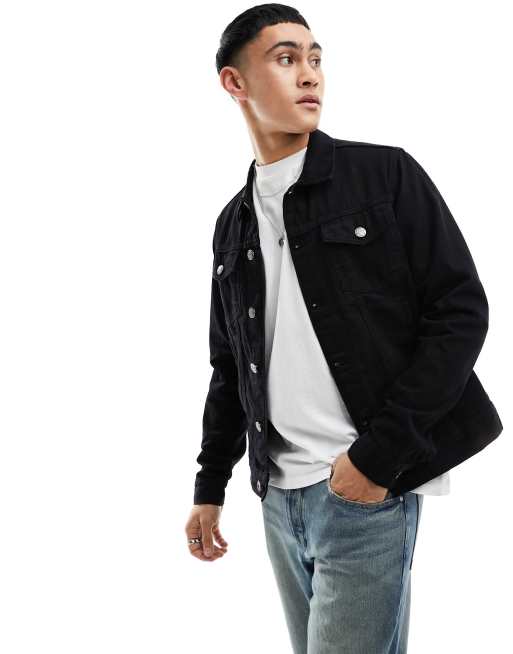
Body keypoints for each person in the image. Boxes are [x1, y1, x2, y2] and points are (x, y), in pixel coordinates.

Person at [184, 4, 503, 653]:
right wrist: (210, 485)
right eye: (285, 58)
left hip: (361, 491)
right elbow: (230, 365)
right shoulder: (232, 223)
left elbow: (460, 311)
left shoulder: (383, 175)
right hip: (278, 498)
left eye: (314, 58)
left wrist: (375, 462)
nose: (309, 74)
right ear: (234, 82)